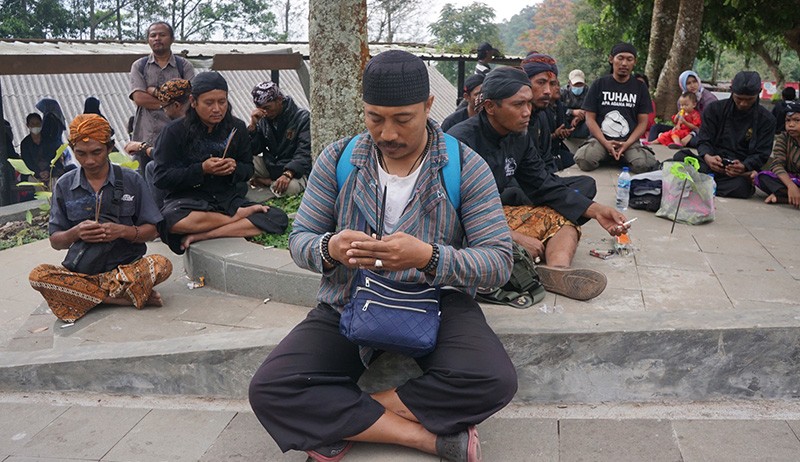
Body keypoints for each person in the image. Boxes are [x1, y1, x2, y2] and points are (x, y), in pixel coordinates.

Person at [249, 50, 517, 462]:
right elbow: (300, 238)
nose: (387, 133)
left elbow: (498, 261)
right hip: (348, 298)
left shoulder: (464, 166)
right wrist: (331, 247)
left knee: (492, 379)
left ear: (429, 107)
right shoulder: (339, 159)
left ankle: (346, 413)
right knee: (270, 387)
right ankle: (427, 439)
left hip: (436, 300)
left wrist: (427, 257)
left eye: (402, 119)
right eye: (374, 118)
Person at [448, 66, 629, 301]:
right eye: (518, 105)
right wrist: (510, 235)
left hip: (499, 212)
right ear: (491, 107)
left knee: (563, 219)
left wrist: (596, 211)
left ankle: (556, 272)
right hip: (467, 225)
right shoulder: (460, 141)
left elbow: (543, 184)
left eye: (528, 104)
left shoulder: (519, 137)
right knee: (495, 251)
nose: (527, 112)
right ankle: (515, 263)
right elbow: (451, 213)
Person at [28, 114, 172, 323]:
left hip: (126, 271)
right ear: (72, 149)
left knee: (162, 264)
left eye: (97, 152)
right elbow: (56, 241)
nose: (90, 160)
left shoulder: (132, 180)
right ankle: (114, 298)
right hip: (82, 273)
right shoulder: (64, 185)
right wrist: (75, 233)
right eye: (81, 153)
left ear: (110, 146)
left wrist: (123, 231)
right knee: (38, 275)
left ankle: (85, 296)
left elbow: (153, 230)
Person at [152, 72, 288, 254]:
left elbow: (248, 169)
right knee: (169, 220)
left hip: (228, 199)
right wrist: (202, 169)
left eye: (222, 102)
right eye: (209, 103)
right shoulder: (174, 131)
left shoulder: (236, 127)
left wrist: (234, 168)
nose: (217, 109)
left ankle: (203, 235)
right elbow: (161, 177)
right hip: (190, 200)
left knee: (277, 218)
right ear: (193, 101)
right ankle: (236, 218)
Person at [673, 71, 776, 198]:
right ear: (732, 91)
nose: (743, 104)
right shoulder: (714, 109)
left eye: (749, 100)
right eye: (739, 98)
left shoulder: (767, 119)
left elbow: (762, 153)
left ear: (758, 93)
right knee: (681, 156)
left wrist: (744, 166)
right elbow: (704, 140)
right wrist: (707, 157)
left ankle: (699, 183)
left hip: (737, 172)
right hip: (711, 164)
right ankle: (706, 183)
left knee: (742, 187)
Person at [574, 43, 659, 174]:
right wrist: (605, 142)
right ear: (611, 59)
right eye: (620, 58)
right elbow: (590, 118)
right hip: (601, 140)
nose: (624, 63)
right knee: (585, 160)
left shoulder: (640, 87)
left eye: (629, 59)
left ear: (634, 62)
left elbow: (643, 122)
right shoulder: (599, 84)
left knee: (643, 165)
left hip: (629, 142)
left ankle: (621, 156)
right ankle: (608, 155)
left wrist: (627, 143)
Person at [129, 21, 196, 175]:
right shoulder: (139, 66)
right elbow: (138, 97)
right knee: (146, 179)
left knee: (174, 176)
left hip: (178, 135)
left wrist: (153, 91)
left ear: (172, 39)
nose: (157, 38)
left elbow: (190, 97)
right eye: (153, 35)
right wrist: (171, 102)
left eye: (162, 35)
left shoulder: (184, 65)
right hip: (146, 135)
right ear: (148, 40)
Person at [127, 78, 193, 209]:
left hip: (190, 175)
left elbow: (164, 155)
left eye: (165, 107)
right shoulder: (196, 119)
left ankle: (160, 215)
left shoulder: (177, 127)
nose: (164, 112)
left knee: (152, 167)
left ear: (176, 106)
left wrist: (142, 147)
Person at [247, 81, 311, 201]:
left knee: (290, 188)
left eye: (267, 108)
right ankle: (272, 184)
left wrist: (288, 174)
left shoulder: (302, 118)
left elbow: (304, 152)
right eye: (260, 109)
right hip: (273, 165)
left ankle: (268, 183)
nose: (264, 112)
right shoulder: (264, 118)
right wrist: (253, 127)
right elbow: (254, 149)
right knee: (240, 162)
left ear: (279, 100)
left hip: (295, 170)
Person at [648, 70, 718, 145]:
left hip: (702, 132)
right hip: (684, 130)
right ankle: (650, 147)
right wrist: (677, 126)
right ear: (683, 85)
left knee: (697, 142)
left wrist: (691, 134)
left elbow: (709, 125)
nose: (692, 85)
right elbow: (681, 119)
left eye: (694, 81)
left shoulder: (709, 99)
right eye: (688, 83)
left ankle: (672, 141)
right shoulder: (682, 100)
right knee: (656, 128)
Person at [755, 101, 800, 206]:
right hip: (792, 180)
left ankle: (782, 197)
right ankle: (792, 195)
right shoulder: (783, 138)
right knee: (762, 177)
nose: (791, 125)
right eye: (788, 120)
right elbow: (777, 164)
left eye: (797, 120)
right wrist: (791, 186)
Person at [20, 113, 65, 183]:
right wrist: (39, 173)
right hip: (34, 174)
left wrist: (47, 171)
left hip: (51, 172)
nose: (35, 126)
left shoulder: (49, 140)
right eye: (32, 124)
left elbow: (55, 158)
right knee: (37, 184)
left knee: (55, 182)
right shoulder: (25, 143)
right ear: (28, 125)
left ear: (41, 124)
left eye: (37, 123)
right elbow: (27, 162)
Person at [561, 69, 590, 138]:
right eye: (576, 84)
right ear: (569, 83)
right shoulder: (563, 92)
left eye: (580, 84)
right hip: (567, 120)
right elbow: (558, 108)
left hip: (583, 120)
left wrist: (581, 114)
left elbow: (594, 107)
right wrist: (572, 112)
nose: (578, 86)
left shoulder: (589, 92)